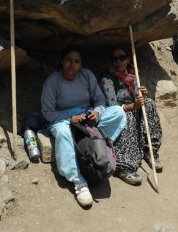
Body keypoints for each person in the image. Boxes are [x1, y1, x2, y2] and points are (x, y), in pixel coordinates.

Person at [41, 45, 126, 208]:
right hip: (63, 119)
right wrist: (70, 117)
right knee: (63, 134)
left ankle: (101, 149)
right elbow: (47, 111)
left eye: (76, 61)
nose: (72, 64)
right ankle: (78, 181)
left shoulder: (86, 75)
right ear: (62, 61)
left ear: (81, 64)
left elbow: (100, 99)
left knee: (118, 113)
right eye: (69, 60)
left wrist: (98, 112)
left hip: (87, 116)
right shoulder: (53, 81)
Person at [100, 46, 162, 186]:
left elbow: (135, 95)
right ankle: (123, 165)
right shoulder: (107, 79)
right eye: (114, 59)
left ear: (128, 59)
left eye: (122, 58)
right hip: (117, 112)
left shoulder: (133, 75)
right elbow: (112, 106)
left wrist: (142, 95)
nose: (118, 62)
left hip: (132, 107)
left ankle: (149, 149)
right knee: (127, 117)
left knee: (149, 103)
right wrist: (133, 106)